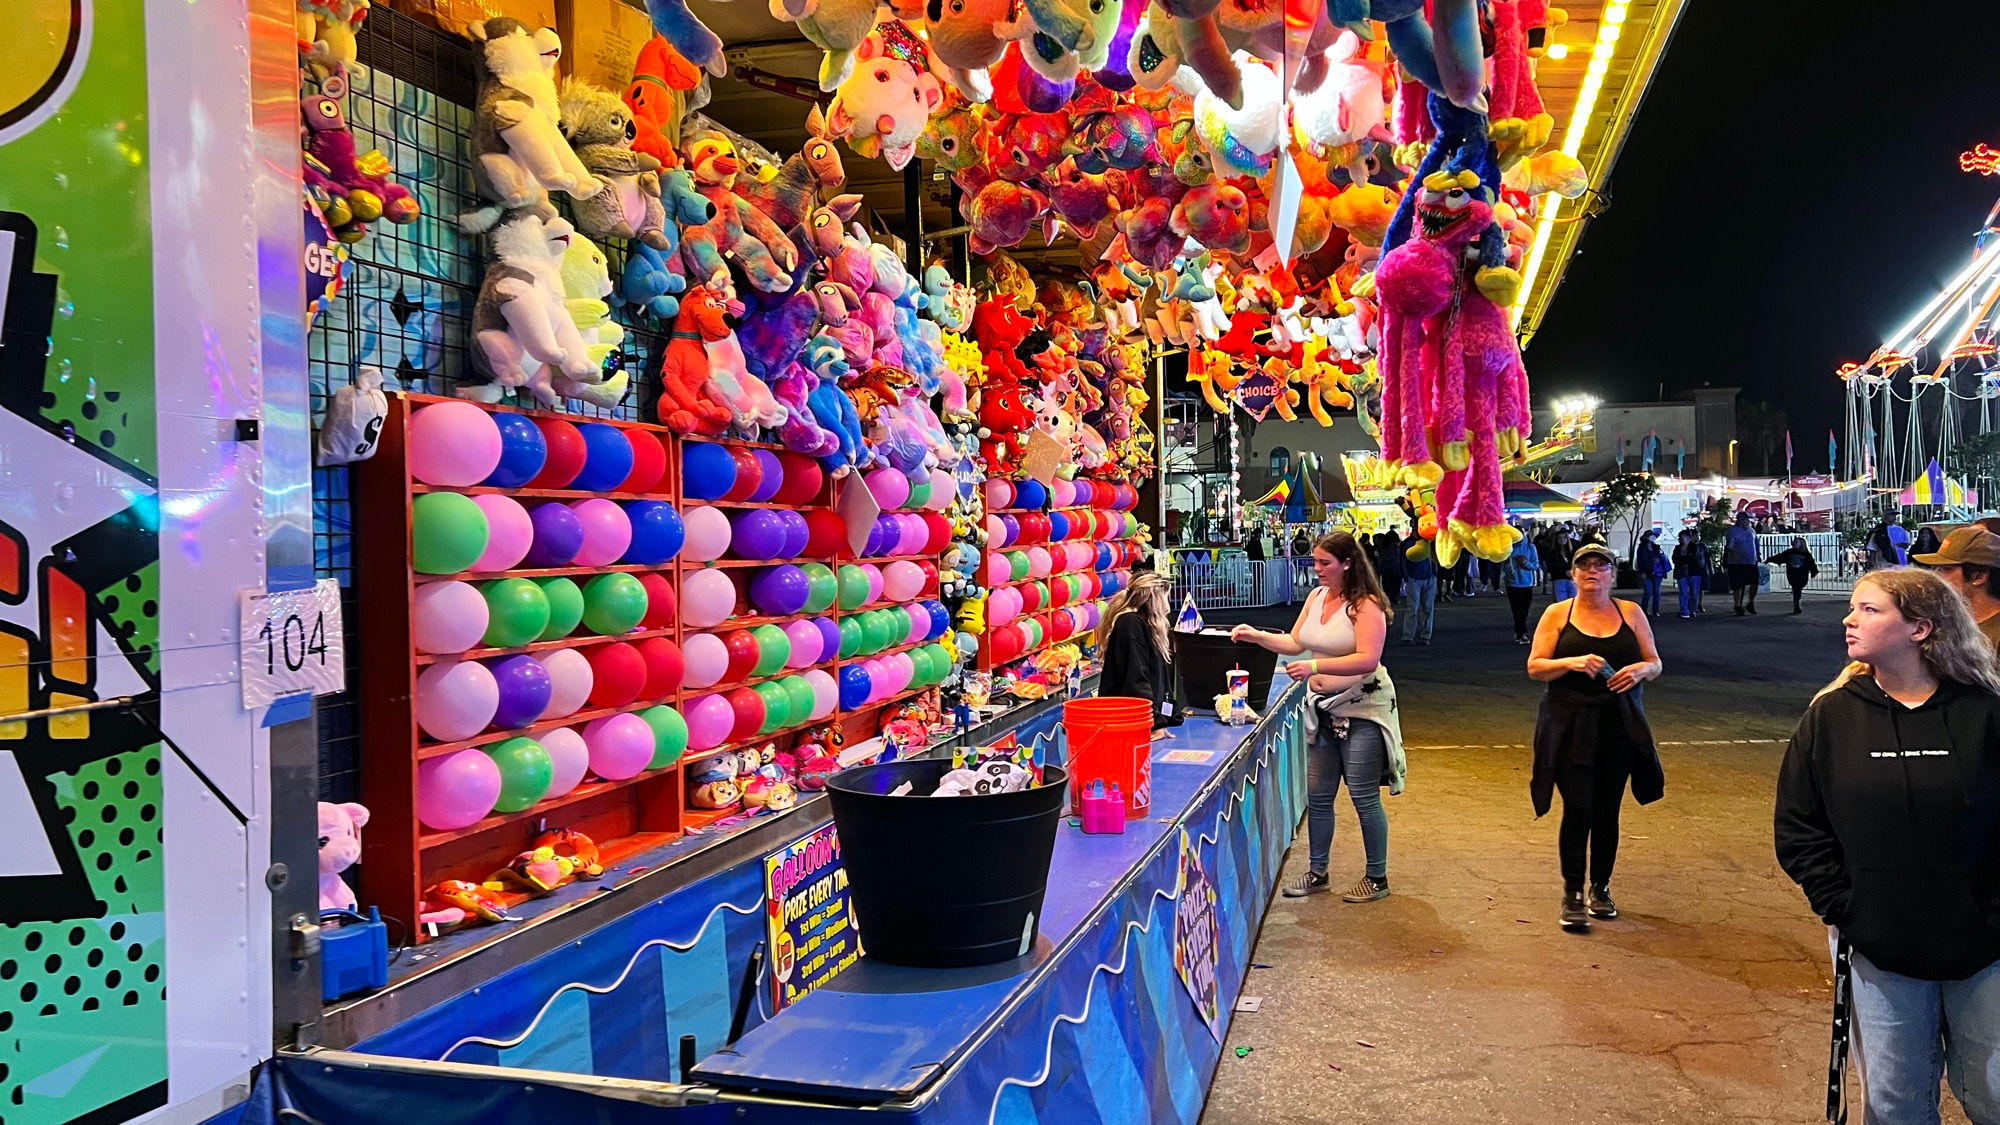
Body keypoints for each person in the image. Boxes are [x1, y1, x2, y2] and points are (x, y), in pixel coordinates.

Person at [1774, 569, 2000, 1125]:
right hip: (1877, 945)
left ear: (1921, 629)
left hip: (1985, 948)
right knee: (1895, 1102)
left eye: (1869, 610)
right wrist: (1845, 908)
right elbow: (1799, 824)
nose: (1849, 619)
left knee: (1993, 1094)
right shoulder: (1831, 714)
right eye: (1854, 608)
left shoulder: (1985, 713)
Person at [1231, 531, 1406, 903]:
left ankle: (1377, 876)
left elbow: (1367, 659)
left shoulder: (1366, 605)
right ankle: (1318, 871)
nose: (1317, 570)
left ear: (1347, 563)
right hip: (1323, 710)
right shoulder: (1315, 597)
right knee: (1319, 796)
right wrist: (1256, 635)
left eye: (1325, 563)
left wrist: (1313, 666)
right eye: (1316, 562)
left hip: (1363, 710)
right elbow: (1295, 642)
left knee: (1362, 796)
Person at [1526, 542, 1665, 931]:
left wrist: (1639, 671)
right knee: (1579, 807)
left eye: (1600, 565)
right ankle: (1572, 892)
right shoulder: (1558, 613)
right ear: (1574, 575)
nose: (1592, 571)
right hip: (1570, 725)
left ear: (1612, 574)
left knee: (1607, 809)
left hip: (1618, 725)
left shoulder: (1630, 612)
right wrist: (1572, 661)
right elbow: (1535, 667)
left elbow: (1655, 662)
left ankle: (1600, 888)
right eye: (1584, 565)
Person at [1094, 571, 1183, 736]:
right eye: (1165, 599)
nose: (1167, 608)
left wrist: (1169, 716)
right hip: (1128, 724)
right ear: (1153, 599)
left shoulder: (1146, 626)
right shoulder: (1130, 624)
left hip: (1141, 721)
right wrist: (1154, 722)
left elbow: (1159, 679)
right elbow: (1136, 679)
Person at [1914, 524, 2000, 653]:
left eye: (1946, 569)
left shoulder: (1994, 635)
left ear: (1978, 576)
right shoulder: (1947, 620)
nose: (1937, 576)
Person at [1765, 536, 1821, 615]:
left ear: (1801, 544)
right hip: (1792, 573)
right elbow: (1780, 557)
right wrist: (1770, 559)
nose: (1794, 544)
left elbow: (1811, 563)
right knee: (1796, 587)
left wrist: (1813, 571)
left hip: (1802, 573)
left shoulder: (1806, 554)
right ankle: (1796, 604)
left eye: (1796, 542)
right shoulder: (1789, 552)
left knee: (1798, 587)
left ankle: (1797, 603)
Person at [1504, 528, 1543, 644]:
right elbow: (1502, 565)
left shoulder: (1531, 548)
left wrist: (1525, 563)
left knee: (1525, 609)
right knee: (1517, 609)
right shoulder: (1508, 548)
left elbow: (1536, 565)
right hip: (1512, 583)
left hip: (1527, 583)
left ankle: (1519, 631)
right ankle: (1522, 633)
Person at [1401, 530, 1437, 644]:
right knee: (1418, 608)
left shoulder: (1426, 541)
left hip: (1424, 577)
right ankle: (1417, 636)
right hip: (1418, 577)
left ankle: (1414, 635)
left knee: (1420, 608)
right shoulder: (1410, 543)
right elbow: (1402, 560)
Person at [1725, 511, 1762, 616]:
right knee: (1738, 585)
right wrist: (1728, 560)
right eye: (1746, 520)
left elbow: (1756, 544)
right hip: (1737, 562)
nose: (1748, 522)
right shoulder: (1733, 532)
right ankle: (1737, 605)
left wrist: (1758, 555)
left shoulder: (1751, 531)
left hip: (1751, 562)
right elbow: (1729, 547)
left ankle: (1750, 601)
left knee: (1755, 582)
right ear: (1741, 521)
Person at [1673, 529, 1710, 619]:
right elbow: (1674, 559)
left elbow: (1692, 558)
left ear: (1688, 538)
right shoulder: (1677, 548)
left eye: (1682, 537)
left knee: (1694, 592)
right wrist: (1683, 560)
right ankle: (1684, 610)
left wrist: (1682, 560)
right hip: (1681, 572)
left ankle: (1692, 609)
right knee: (1683, 592)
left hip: (1694, 572)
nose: (1680, 539)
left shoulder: (1694, 547)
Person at [1634, 529, 1669, 618]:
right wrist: (1642, 572)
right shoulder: (1642, 547)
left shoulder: (1656, 547)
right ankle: (1644, 609)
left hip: (1657, 572)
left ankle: (1655, 610)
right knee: (1648, 591)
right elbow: (1640, 561)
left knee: (1656, 591)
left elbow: (1661, 558)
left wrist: (1658, 560)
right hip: (1646, 571)